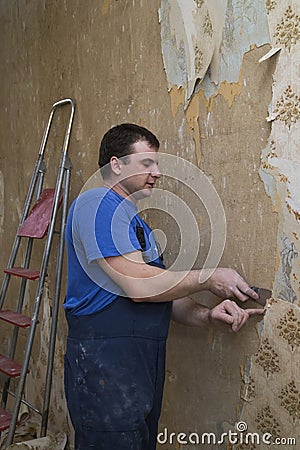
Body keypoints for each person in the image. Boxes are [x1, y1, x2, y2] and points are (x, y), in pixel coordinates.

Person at [63, 123, 263, 450]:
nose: (157, 172)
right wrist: (209, 276)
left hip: (139, 365)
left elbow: (164, 295)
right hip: (105, 362)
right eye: (146, 163)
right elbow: (139, 287)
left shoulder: (137, 225)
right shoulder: (96, 204)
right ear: (116, 165)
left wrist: (209, 315)